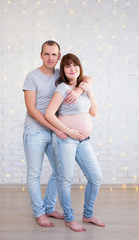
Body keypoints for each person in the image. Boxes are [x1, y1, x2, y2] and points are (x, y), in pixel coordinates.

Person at [23, 41, 92, 227]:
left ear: (59, 56)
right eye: (47, 54)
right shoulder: (32, 77)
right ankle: (39, 212)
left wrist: (79, 89)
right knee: (34, 173)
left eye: (54, 54)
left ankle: (49, 207)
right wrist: (56, 128)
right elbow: (31, 109)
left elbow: (88, 79)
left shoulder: (60, 74)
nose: (50, 58)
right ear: (41, 55)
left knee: (59, 171)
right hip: (36, 131)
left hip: (55, 131)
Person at [45, 53, 105, 232]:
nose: (72, 69)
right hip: (66, 140)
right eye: (68, 66)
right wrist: (68, 131)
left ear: (80, 67)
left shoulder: (83, 87)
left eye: (75, 65)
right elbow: (49, 114)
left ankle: (88, 214)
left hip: (84, 141)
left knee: (96, 178)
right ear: (63, 70)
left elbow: (93, 112)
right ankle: (69, 218)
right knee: (66, 179)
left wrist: (88, 91)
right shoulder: (62, 88)